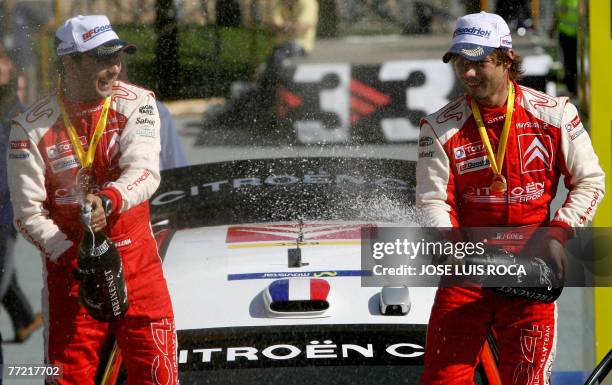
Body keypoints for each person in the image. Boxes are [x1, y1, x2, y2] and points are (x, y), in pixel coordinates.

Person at [416, 12, 604, 385]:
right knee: (443, 380)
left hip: (532, 269)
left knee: (527, 380)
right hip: (467, 271)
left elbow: (590, 181)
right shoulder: (438, 127)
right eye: (460, 63)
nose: (468, 74)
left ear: (505, 58)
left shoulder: (555, 114)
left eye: (478, 63)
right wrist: (451, 244)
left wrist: (557, 235)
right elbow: (431, 200)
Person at [6, 14, 178, 385]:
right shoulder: (29, 127)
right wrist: (74, 258)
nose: (114, 67)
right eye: (101, 58)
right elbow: (27, 213)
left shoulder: (138, 104)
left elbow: (146, 172)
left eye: (117, 57)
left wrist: (110, 200)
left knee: (159, 377)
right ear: (69, 62)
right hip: (71, 278)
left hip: (138, 271)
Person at [0, 43, 43, 344]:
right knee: (5, 272)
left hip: (3, 212)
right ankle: (25, 318)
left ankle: (25, 318)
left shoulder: (15, 115)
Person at [0, 0, 54, 105]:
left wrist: (35, 34)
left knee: (29, 96)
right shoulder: (2, 10)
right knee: (9, 97)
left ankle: (28, 117)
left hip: (26, 60)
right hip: (8, 64)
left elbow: (49, 21)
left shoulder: (24, 8)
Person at [555, 0, 578, 95]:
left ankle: (572, 87)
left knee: (569, 63)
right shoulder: (576, 3)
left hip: (567, 35)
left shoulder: (563, 2)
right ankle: (572, 87)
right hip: (572, 36)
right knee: (572, 63)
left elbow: (558, 16)